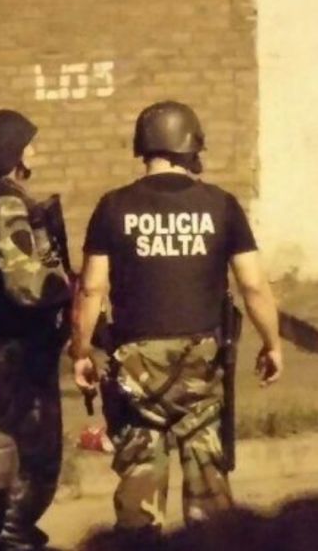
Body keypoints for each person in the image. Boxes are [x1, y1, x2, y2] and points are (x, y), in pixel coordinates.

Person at [70, 100, 284, 538]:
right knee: (207, 471)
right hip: (200, 360)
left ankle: (138, 541)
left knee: (140, 470)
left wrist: (81, 351)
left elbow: (91, 289)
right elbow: (253, 286)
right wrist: (273, 343)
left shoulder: (113, 206)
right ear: (190, 147)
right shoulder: (221, 205)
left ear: (144, 148)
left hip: (135, 363)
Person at [0, 108, 72, 550]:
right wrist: (68, 289)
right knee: (35, 453)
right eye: (28, 144)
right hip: (18, 347)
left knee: (9, 445)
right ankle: (14, 533)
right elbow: (25, 284)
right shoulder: (6, 203)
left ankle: (3, 527)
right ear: (10, 150)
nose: (34, 151)